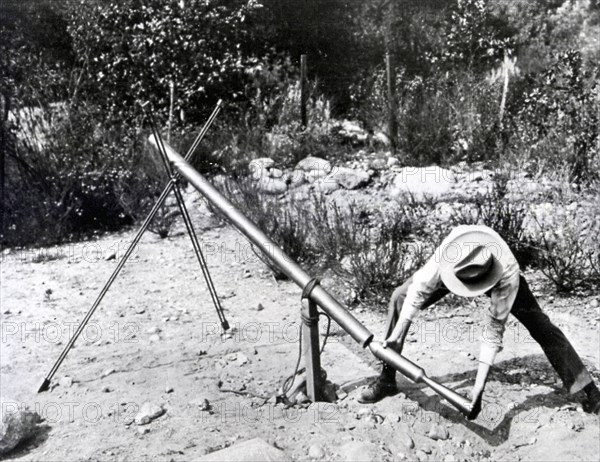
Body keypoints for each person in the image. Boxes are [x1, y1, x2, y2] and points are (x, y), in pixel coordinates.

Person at [358, 225, 600, 416]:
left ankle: (590, 391)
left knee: (542, 327)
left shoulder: (507, 275)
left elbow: (492, 334)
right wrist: (396, 334)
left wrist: (478, 389)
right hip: (458, 269)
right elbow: (417, 293)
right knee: (399, 298)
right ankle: (388, 379)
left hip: (498, 276)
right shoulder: (448, 254)